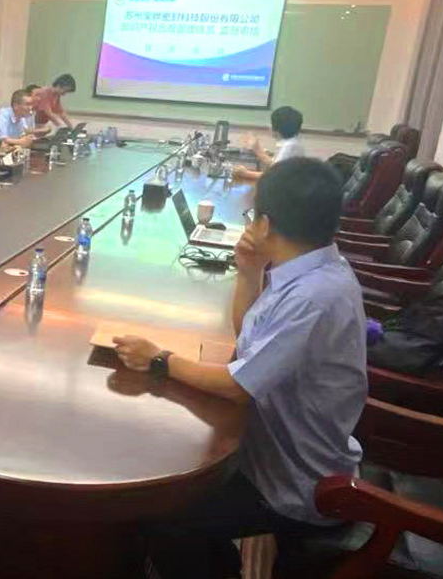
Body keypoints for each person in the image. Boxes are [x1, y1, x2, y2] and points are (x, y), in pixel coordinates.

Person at [111, 158, 365, 579]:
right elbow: (250, 341)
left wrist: (160, 360)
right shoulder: (311, 272)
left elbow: (238, 386)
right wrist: (248, 274)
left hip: (295, 484)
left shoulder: (313, 297)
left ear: (265, 225)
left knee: (160, 517)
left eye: (251, 215)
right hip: (277, 455)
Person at [233, 106, 307, 183]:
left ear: (277, 129)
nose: (269, 126)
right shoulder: (293, 142)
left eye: (271, 124)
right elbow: (274, 165)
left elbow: (275, 175)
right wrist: (257, 149)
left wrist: (246, 173)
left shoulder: (288, 147)